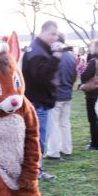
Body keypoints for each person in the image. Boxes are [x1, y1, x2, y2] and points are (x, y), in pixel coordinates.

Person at [22, 20, 62, 180]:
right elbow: (43, 76)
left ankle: (34, 170)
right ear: (43, 32)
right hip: (37, 103)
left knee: (36, 139)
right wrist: (56, 58)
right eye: (52, 34)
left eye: (56, 35)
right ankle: (35, 172)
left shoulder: (39, 49)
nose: (54, 38)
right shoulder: (37, 51)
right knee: (37, 140)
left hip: (38, 101)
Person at [46, 33, 77, 159]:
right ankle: (66, 148)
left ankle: (53, 152)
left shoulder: (54, 55)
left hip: (56, 94)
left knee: (53, 124)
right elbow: (74, 76)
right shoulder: (71, 56)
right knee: (64, 123)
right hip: (67, 93)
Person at [80, 40, 98, 150]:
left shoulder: (94, 61)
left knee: (93, 118)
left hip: (93, 93)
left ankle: (95, 144)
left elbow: (84, 77)